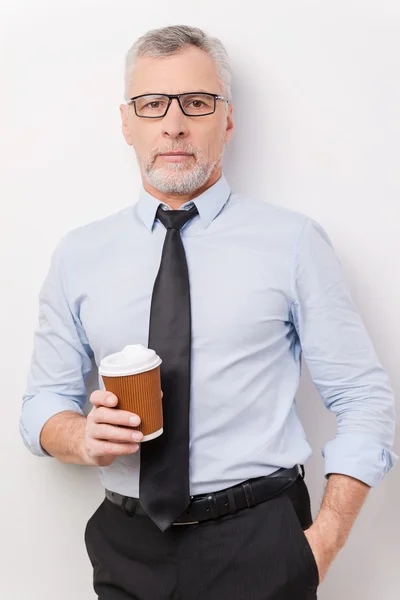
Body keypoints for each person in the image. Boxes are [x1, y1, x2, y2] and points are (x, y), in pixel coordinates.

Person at [19, 24, 397, 600]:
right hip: (126, 546)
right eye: (152, 105)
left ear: (227, 120)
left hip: (263, 542)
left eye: (196, 103)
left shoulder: (293, 242)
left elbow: (363, 396)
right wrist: (79, 436)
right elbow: (41, 405)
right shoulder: (78, 254)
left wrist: (322, 543)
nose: (173, 124)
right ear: (126, 123)